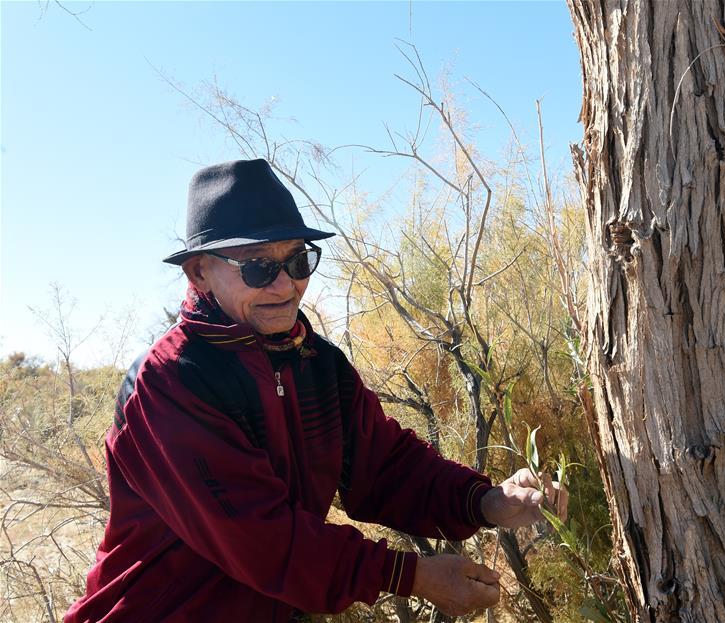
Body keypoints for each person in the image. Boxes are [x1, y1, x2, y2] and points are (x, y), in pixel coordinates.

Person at [65, 159, 566, 622]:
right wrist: (408, 576)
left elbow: (387, 466)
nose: (285, 286)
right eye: (259, 267)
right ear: (200, 272)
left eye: (298, 262)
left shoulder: (314, 361)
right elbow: (261, 541)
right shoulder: (170, 383)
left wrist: (485, 501)